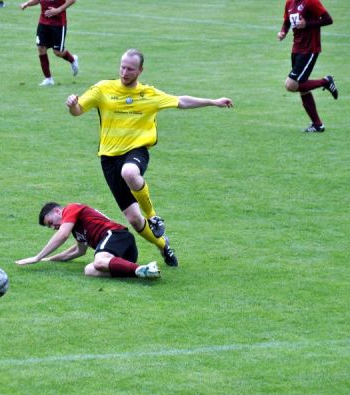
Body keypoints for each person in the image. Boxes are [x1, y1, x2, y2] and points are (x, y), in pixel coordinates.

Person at [66, 49, 233, 267]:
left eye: (130, 69)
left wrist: (213, 101)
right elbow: (78, 110)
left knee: (130, 172)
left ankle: (153, 217)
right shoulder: (103, 89)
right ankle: (164, 245)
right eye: (122, 67)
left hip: (136, 151)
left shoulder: (149, 94)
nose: (125, 72)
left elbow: (181, 101)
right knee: (135, 220)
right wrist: (72, 105)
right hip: (108, 159)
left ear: (140, 70)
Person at [15, 202, 161, 279]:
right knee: (89, 270)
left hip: (117, 236)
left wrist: (37, 257)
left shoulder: (71, 208)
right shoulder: (76, 229)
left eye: (51, 222)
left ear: (58, 211)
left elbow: (62, 235)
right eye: (50, 227)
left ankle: (142, 269)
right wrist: (48, 260)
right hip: (120, 255)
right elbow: (78, 251)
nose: (53, 227)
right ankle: (141, 272)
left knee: (98, 261)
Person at [278, 0, 339, 133]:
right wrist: (283, 32)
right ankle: (317, 125)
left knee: (291, 85)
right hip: (296, 49)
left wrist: (307, 24)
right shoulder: (289, 3)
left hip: (310, 49)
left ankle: (325, 81)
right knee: (303, 88)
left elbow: (328, 20)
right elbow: (287, 21)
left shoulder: (311, 1)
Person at [19, 0, 79, 86]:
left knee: (58, 52)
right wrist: (27, 3)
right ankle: (48, 79)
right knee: (41, 48)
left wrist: (58, 10)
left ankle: (72, 59)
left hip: (58, 24)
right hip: (43, 22)